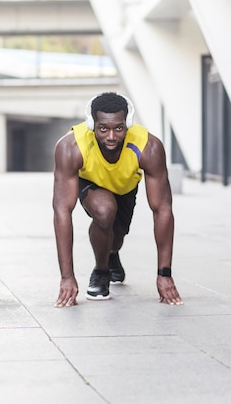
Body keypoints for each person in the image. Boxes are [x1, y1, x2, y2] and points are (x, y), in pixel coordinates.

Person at [52, 92, 183, 307]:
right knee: (105, 212)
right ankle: (101, 271)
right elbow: (61, 211)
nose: (111, 136)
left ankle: (111, 254)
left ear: (128, 124)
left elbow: (163, 209)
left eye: (118, 128)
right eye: (103, 129)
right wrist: (67, 277)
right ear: (92, 124)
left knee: (118, 234)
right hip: (90, 183)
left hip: (125, 187)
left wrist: (164, 273)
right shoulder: (71, 147)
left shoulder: (148, 146)